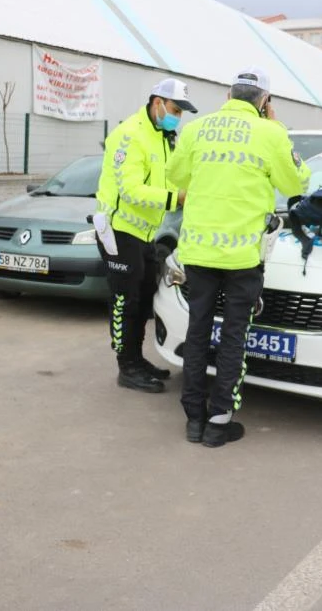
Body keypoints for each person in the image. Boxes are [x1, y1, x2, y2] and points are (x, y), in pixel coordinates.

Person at [168, 67, 305, 447]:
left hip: (198, 252)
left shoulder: (196, 130)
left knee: (197, 332)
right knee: (233, 337)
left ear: (228, 96)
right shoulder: (270, 133)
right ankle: (218, 422)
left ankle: (193, 419)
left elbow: (175, 177)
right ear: (264, 102)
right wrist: (276, 128)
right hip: (242, 259)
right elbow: (296, 182)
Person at [95, 78, 197, 393]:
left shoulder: (163, 137)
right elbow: (131, 190)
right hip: (119, 231)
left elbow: (171, 179)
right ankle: (126, 366)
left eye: (181, 112)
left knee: (144, 297)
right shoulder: (130, 135)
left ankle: (136, 359)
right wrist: (176, 199)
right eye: (175, 110)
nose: (178, 117)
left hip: (145, 233)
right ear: (157, 103)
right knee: (125, 300)